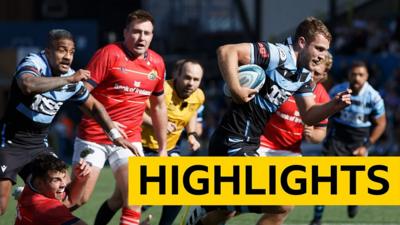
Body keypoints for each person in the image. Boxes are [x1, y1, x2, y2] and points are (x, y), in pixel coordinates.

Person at [185, 17, 352, 225]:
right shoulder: (278, 54)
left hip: (249, 143)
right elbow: (226, 51)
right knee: (279, 203)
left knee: (274, 205)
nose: (322, 56)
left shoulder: (302, 75)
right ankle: (209, 203)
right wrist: (236, 89)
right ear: (302, 42)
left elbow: (309, 114)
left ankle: (208, 208)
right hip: (232, 139)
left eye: (324, 50)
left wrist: (333, 106)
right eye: (318, 48)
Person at [0, 29, 137, 216]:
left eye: (71, 52)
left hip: (39, 144)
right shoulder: (34, 62)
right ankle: (24, 198)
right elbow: (28, 85)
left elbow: (94, 107)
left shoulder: (72, 79)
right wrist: (69, 79)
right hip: (9, 142)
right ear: (48, 52)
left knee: (64, 197)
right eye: (61, 50)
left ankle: (25, 202)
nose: (67, 57)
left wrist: (113, 134)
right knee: (1, 205)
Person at [71, 9, 168, 225]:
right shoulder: (109, 54)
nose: (141, 38)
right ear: (125, 32)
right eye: (136, 32)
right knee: (78, 199)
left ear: (152, 36)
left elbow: (159, 106)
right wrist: (107, 123)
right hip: (94, 136)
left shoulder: (157, 63)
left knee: (135, 196)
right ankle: (34, 208)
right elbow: (80, 96)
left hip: (130, 140)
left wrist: (163, 149)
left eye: (147, 33)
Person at [252, 53, 333, 225]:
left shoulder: (322, 97)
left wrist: (313, 136)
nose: (311, 76)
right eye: (310, 70)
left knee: (285, 206)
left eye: (317, 74)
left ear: (324, 75)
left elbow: (321, 133)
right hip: (261, 144)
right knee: (243, 197)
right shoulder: (287, 80)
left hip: (290, 152)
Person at [309, 60, 386, 225]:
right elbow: (325, 112)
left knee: (354, 182)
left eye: (361, 75)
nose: (357, 78)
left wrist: (366, 146)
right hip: (337, 138)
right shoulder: (338, 91)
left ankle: (353, 200)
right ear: (348, 75)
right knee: (324, 179)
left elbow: (381, 123)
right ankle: (317, 218)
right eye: (354, 74)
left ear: (367, 76)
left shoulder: (374, 97)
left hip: (359, 141)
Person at [141, 59, 205, 225]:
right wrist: (158, 122)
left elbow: (192, 113)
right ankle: (131, 217)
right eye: (187, 77)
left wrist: (191, 135)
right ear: (177, 75)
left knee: (178, 189)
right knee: (145, 193)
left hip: (169, 149)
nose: (191, 83)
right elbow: (136, 110)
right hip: (142, 146)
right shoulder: (161, 90)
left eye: (196, 79)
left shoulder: (198, 96)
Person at [15, 154, 90, 225]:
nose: (63, 184)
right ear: (39, 183)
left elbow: (69, 201)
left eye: (63, 177)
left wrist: (80, 180)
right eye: (56, 180)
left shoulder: (30, 185)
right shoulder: (49, 209)